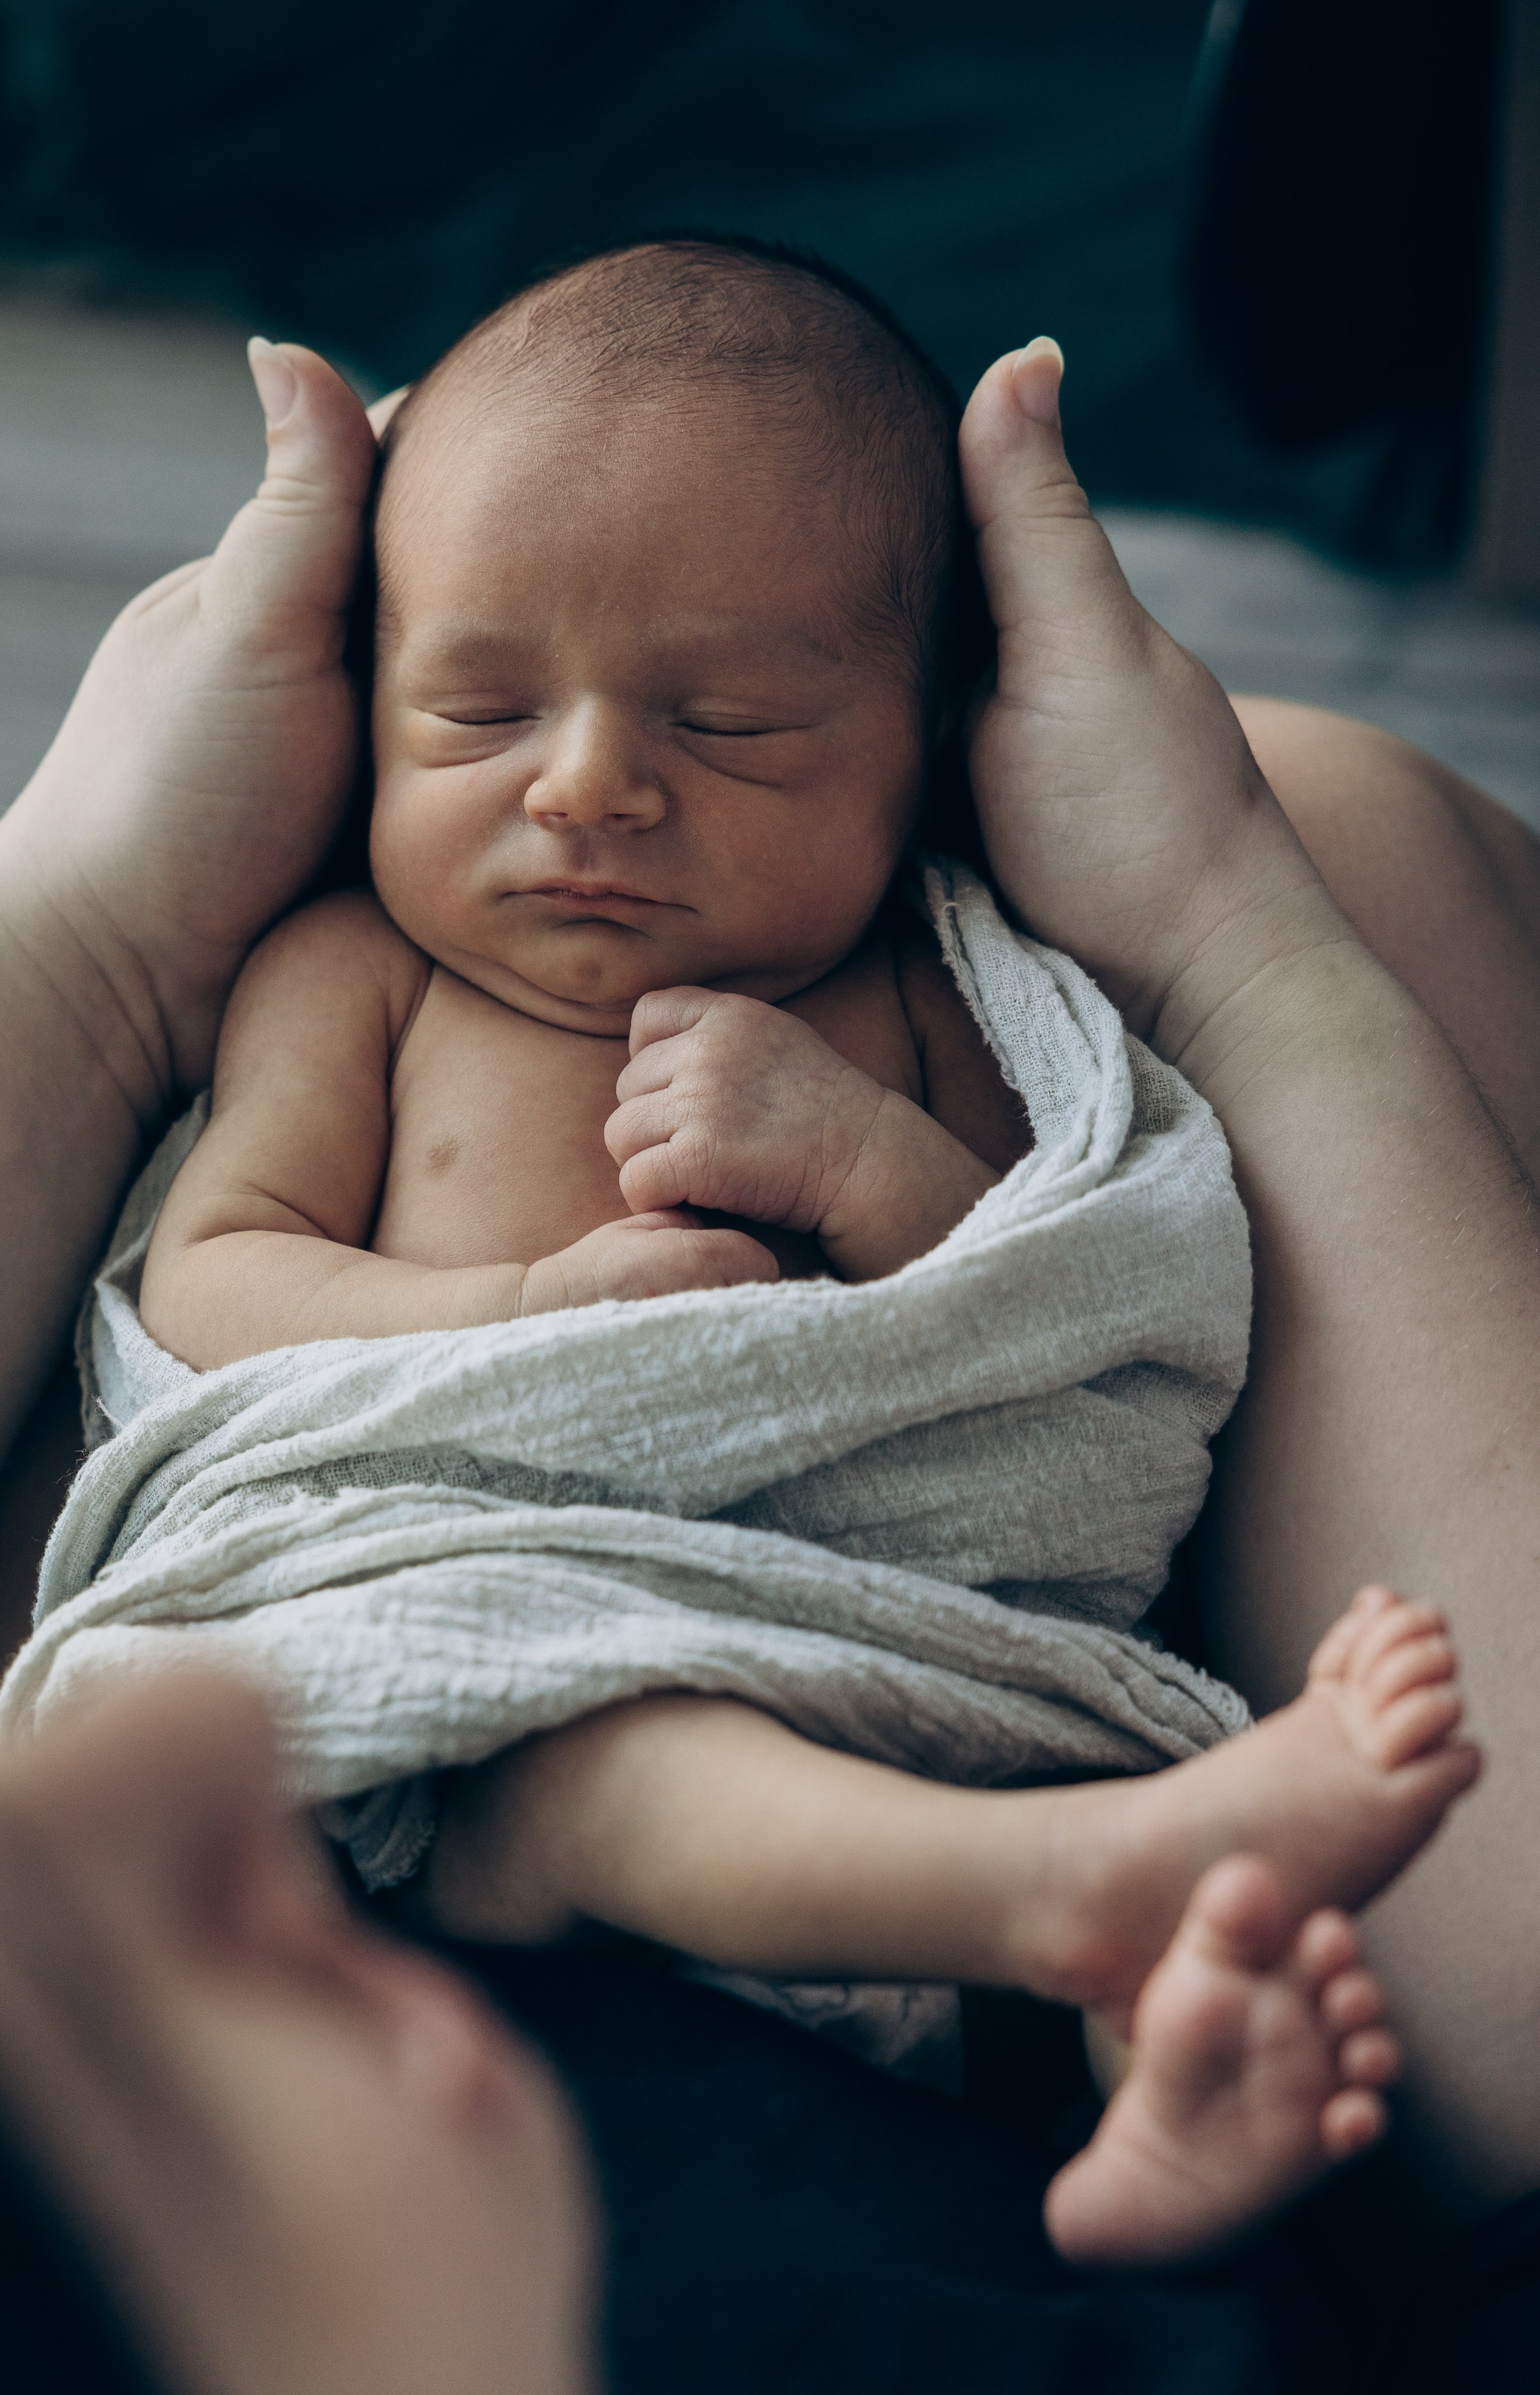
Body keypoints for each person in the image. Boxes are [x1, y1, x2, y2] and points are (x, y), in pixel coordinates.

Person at [0, 317, 1536, 2395]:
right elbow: (1097, 1303)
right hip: (1025, 2040)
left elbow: (963, 1286)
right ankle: (1101, 1971)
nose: (89, 1767)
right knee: (1350, 832)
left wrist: (79, 932)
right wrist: (1233, 949)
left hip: (517, 1743)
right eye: (97, 2058)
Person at [107, 241, 1467, 2268]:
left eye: (729, 725)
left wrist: (859, 1158)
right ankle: (1090, 1910)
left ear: (925, 745)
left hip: (904, 1638)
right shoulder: (355, 978)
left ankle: (1165, 2091)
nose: (586, 785)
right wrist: (512, 1317)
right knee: (614, 1756)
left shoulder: (950, 992)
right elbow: (215, 1281)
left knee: (1090, 1744)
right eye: (476, 705)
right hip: (513, 1658)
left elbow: (1069, 1306)